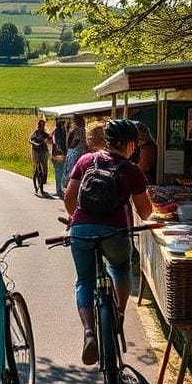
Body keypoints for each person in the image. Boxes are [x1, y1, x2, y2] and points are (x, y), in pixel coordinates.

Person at [64, 119, 152, 365]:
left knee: (84, 280)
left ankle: (89, 331)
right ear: (130, 143)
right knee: (120, 268)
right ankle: (120, 316)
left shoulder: (86, 161)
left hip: (81, 230)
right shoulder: (131, 170)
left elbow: (69, 196)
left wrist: (74, 219)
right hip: (114, 233)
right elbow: (145, 213)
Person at [29, 119, 52, 195]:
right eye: (40, 125)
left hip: (43, 151)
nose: (42, 126)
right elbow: (29, 140)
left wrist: (49, 138)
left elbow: (50, 140)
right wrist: (34, 143)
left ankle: (42, 184)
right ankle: (36, 185)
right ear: (38, 125)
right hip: (36, 151)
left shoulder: (45, 133)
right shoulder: (35, 132)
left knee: (44, 169)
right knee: (36, 168)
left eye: (43, 125)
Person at [63, 114, 88, 184]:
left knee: (72, 171)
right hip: (80, 151)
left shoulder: (78, 130)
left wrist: (70, 148)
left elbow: (75, 140)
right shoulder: (83, 129)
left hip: (75, 152)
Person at [52, 119, 68, 197]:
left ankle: (58, 189)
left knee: (58, 172)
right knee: (62, 171)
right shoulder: (64, 132)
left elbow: (55, 142)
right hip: (63, 153)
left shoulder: (56, 131)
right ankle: (61, 189)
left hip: (57, 153)